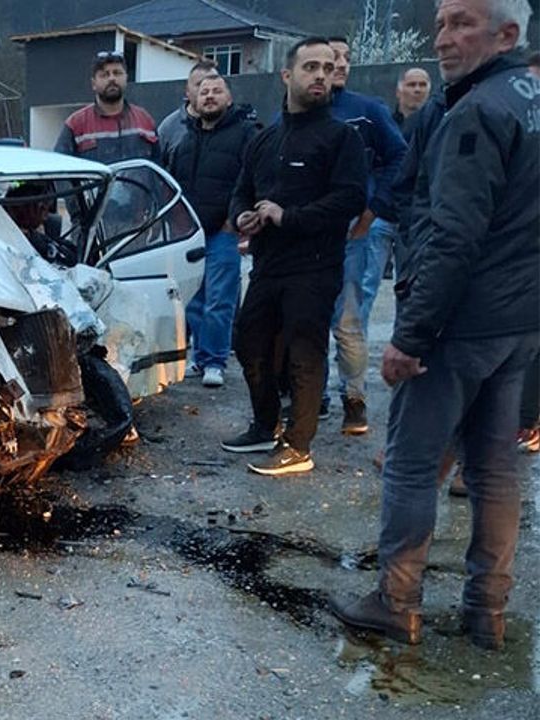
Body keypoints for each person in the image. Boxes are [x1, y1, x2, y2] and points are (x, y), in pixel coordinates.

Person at [330, 0, 537, 651]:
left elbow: (453, 235)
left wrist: (411, 337)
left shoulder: (476, 111)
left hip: (460, 323)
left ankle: (397, 601)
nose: (443, 37)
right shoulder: (527, 99)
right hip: (518, 322)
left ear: (507, 33)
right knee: (496, 469)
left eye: (462, 23)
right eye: (442, 22)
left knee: (413, 465)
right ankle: (486, 612)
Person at [220, 37, 366, 476]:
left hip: (315, 265)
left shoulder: (342, 137)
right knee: (249, 342)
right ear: (287, 75)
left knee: (305, 352)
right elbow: (241, 190)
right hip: (268, 263)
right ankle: (265, 425)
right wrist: (242, 216)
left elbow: (349, 199)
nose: (321, 75)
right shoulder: (265, 139)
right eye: (311, 67)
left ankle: (298, 446)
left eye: (327, 68)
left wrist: (289, 217)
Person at [320, 36, 408, 436]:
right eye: (331, 57)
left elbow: (400, 158)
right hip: (306, 234)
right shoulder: (297, 111)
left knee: (348, 321)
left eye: (345, 57)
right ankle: (311, 397)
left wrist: (373, 212)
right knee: (307, 321)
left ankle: (353, 400)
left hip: (353, 234)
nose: (340, 63)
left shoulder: (367, 111)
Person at [163, 73, 255, 388]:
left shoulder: (244, 134)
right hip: (191, 235)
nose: (210, 96)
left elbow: (250, 179)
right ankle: (200, 358)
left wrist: (235, 217)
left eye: (217, 91)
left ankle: (215, 360)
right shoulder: (186, 138)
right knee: (194, 300)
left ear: (229, 99)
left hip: (223, 231)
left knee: (220, 300)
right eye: (204, 92)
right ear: (193, 99)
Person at [54, 50, 158, 163]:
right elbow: (60, 168)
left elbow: (158, 167)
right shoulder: (76, 125)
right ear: (93, 83)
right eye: (104, 75)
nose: (112, 78)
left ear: (126, 78)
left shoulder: (144, 121)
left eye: (117, 73)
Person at [156, 59, 217, 158]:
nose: (208, 91)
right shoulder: (169, 128)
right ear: (187, 91)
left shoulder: (234, 126)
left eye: (214, 85)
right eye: (200, 84)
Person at [392, 67, 431, 135]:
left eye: (423, 85)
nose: (417, 89)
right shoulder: (387, 126)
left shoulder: (437, 126)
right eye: (411, 85)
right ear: (398, 92)